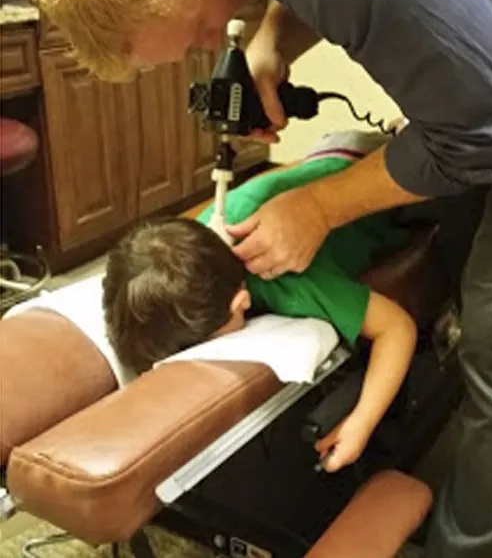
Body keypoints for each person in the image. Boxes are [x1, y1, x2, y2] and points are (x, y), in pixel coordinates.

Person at [20, 0, 492, 556]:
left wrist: (322, 206)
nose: (216, 43)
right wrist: (271, 39)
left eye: (204, 32)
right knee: (465, 237)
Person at [102, 131, 416, 474]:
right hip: (329, 153)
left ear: (241, 303)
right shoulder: (199, 235)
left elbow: (396, 329)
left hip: (386, 174)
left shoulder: (293, 282)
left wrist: (362, 423)